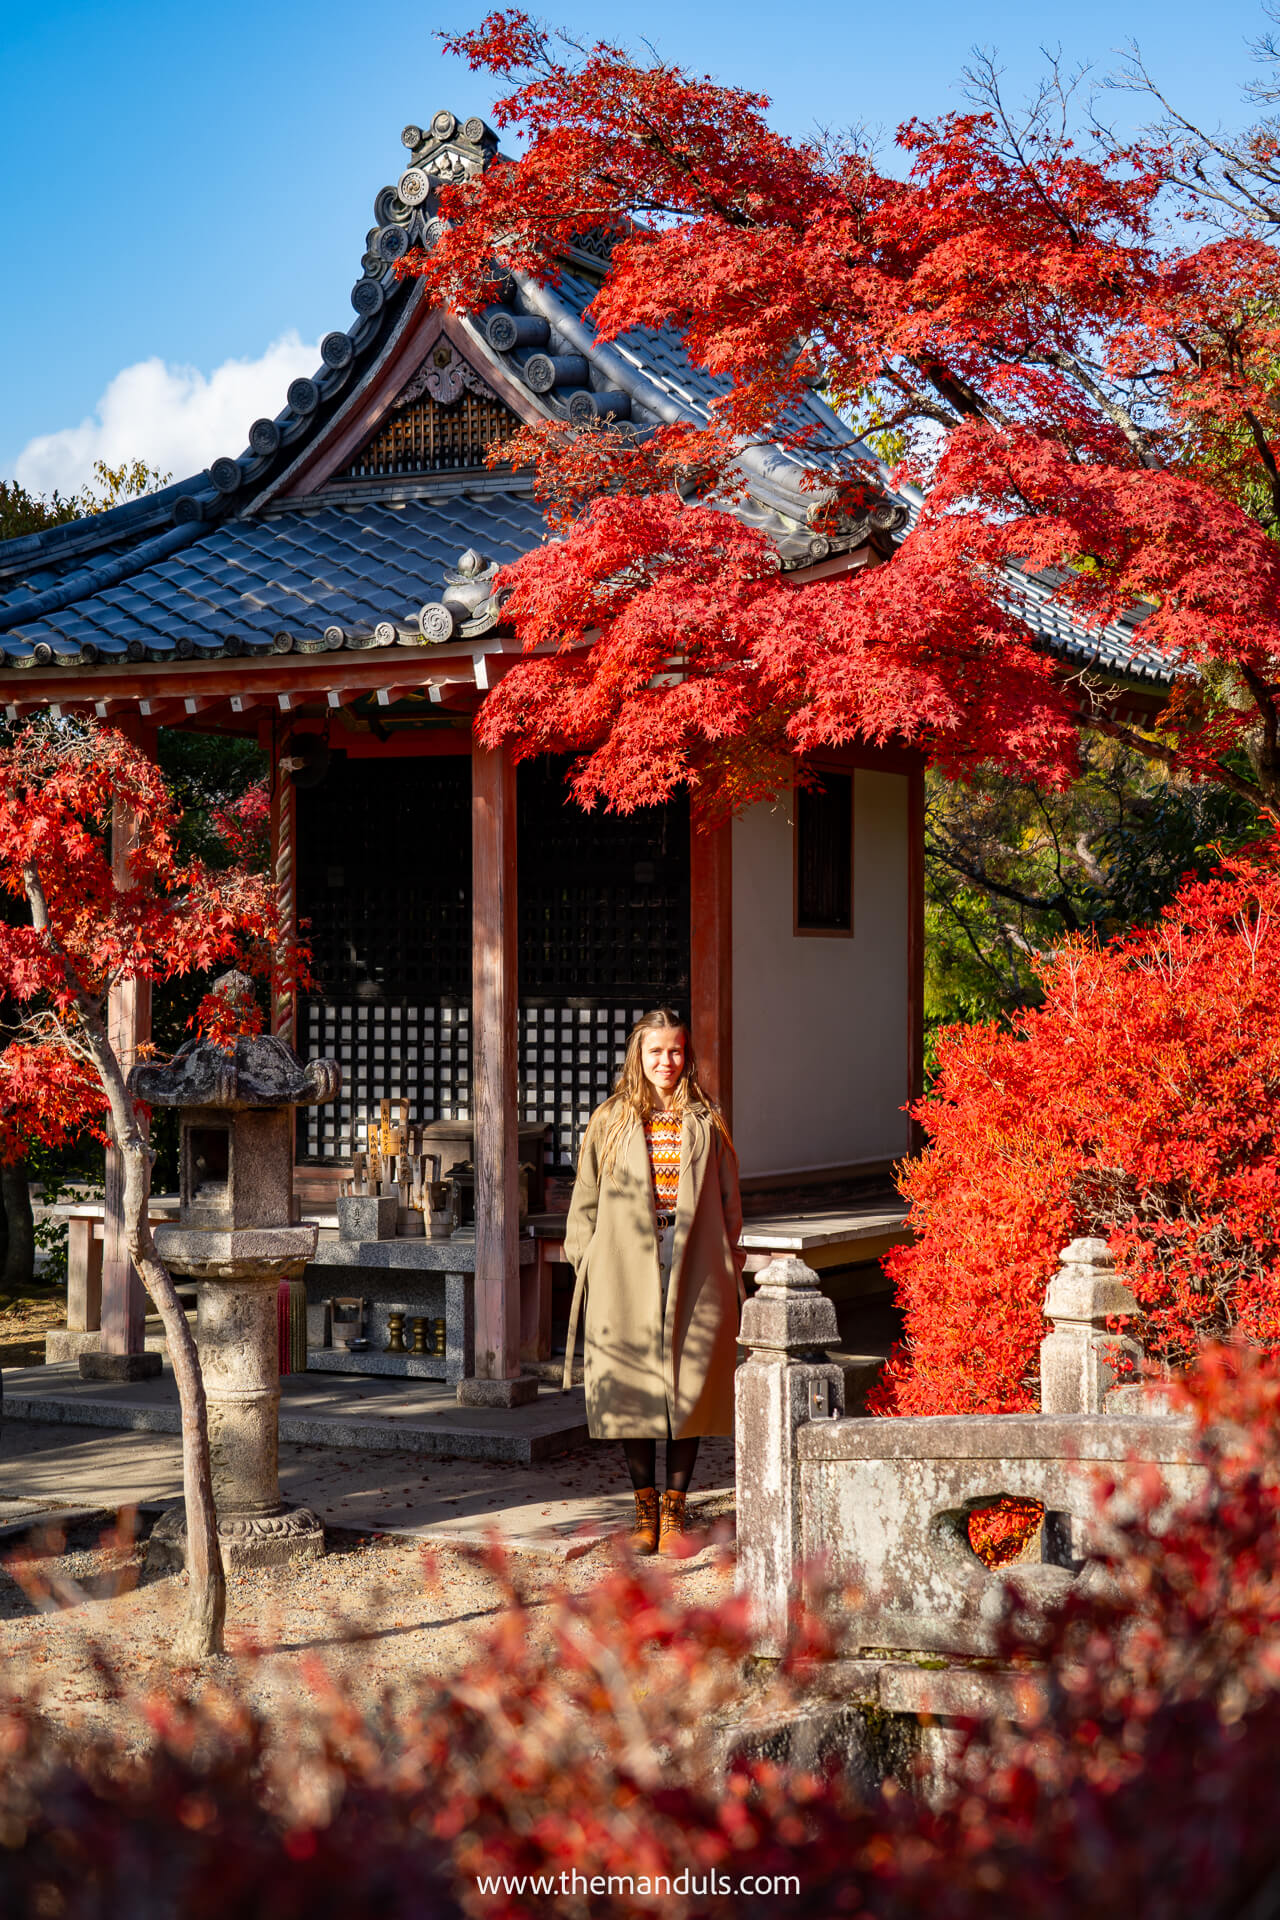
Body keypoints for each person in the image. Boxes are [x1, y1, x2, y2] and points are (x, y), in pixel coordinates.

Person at [563, 1007, 744, 1555]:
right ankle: (644, 1509)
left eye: (675, 1050)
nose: (666, 1061)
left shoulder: (705, 1120)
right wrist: (588, 1260)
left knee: (689, 1386)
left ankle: (674, 1511)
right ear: (637, 1056)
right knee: (634, 1386)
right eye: (656, 1051)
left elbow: (730, 1201)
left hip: (695, 1263)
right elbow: (584, 1199)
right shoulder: (611, 1118)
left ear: (686, 1054)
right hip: (623, 1265)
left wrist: (728, 1260)